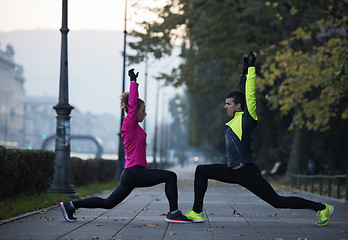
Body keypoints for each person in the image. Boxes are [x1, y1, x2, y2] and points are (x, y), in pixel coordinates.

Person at [185, 51, 334, 227]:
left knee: (278, 202)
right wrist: (244, 71)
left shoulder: (247, 118)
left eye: (228, 104)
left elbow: (249, 93)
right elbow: (241, 92)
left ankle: (322, 207)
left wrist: (252, 69)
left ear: (238, 106)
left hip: (246, 172)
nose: (225, 106)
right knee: (201, 170)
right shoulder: (234, 120)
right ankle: (196, 212)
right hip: (232, 171)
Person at [60, 69, 192, 223]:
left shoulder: (135, 127)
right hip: (134, 172)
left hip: (132, 173)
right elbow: (133, 103)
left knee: (107, 203)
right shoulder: (129, 124)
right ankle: (174, 213)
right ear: (133, 111)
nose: (145, 114)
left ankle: (71, 205)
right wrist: (133, 83)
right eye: (143, 110)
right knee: (170, 176)